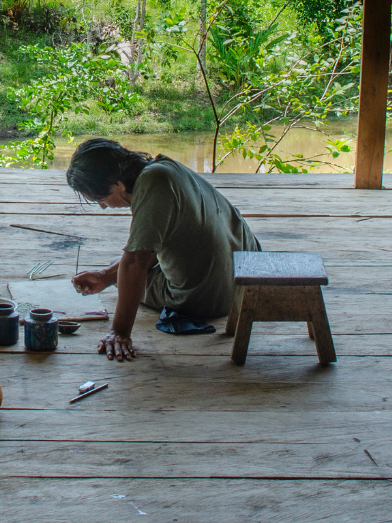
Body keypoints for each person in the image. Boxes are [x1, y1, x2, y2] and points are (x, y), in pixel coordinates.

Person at [66, 139, 261, 362]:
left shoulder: (151, 186)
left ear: (119, 184)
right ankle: (109, 275)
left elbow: (136, 262)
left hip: (208, 297)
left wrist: (119, 333)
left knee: (124, 268)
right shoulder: (165, 167)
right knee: (118, 267)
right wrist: (105, 276)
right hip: (246, 276)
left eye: (101, 198)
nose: (102, 205)